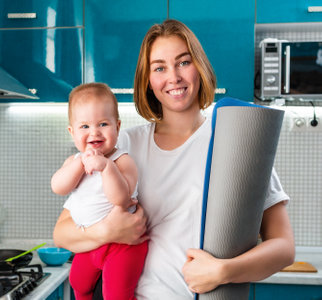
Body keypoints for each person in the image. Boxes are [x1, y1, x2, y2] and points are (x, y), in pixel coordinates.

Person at [53, 19, 295, 299]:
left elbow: (283, 247)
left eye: (183, 62)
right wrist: (105, 231)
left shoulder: (236, 144)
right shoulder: (124, 145)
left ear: (199, 67)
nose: (174, 77)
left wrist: (224, 271)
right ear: (149, 80)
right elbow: (63, 233)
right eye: (159, 67)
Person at [51, 82, 148, 300]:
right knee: (78, 282)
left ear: (117, 126)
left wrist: (106, 167)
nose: (94, 132)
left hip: (122, 246)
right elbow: (58, 187)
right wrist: (79, 164)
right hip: (89, 243)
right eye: (84, 126)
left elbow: (121, 199)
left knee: (116, 294)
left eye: (103, 124)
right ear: (72, 132)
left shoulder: (122, 161)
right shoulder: (74, 161)